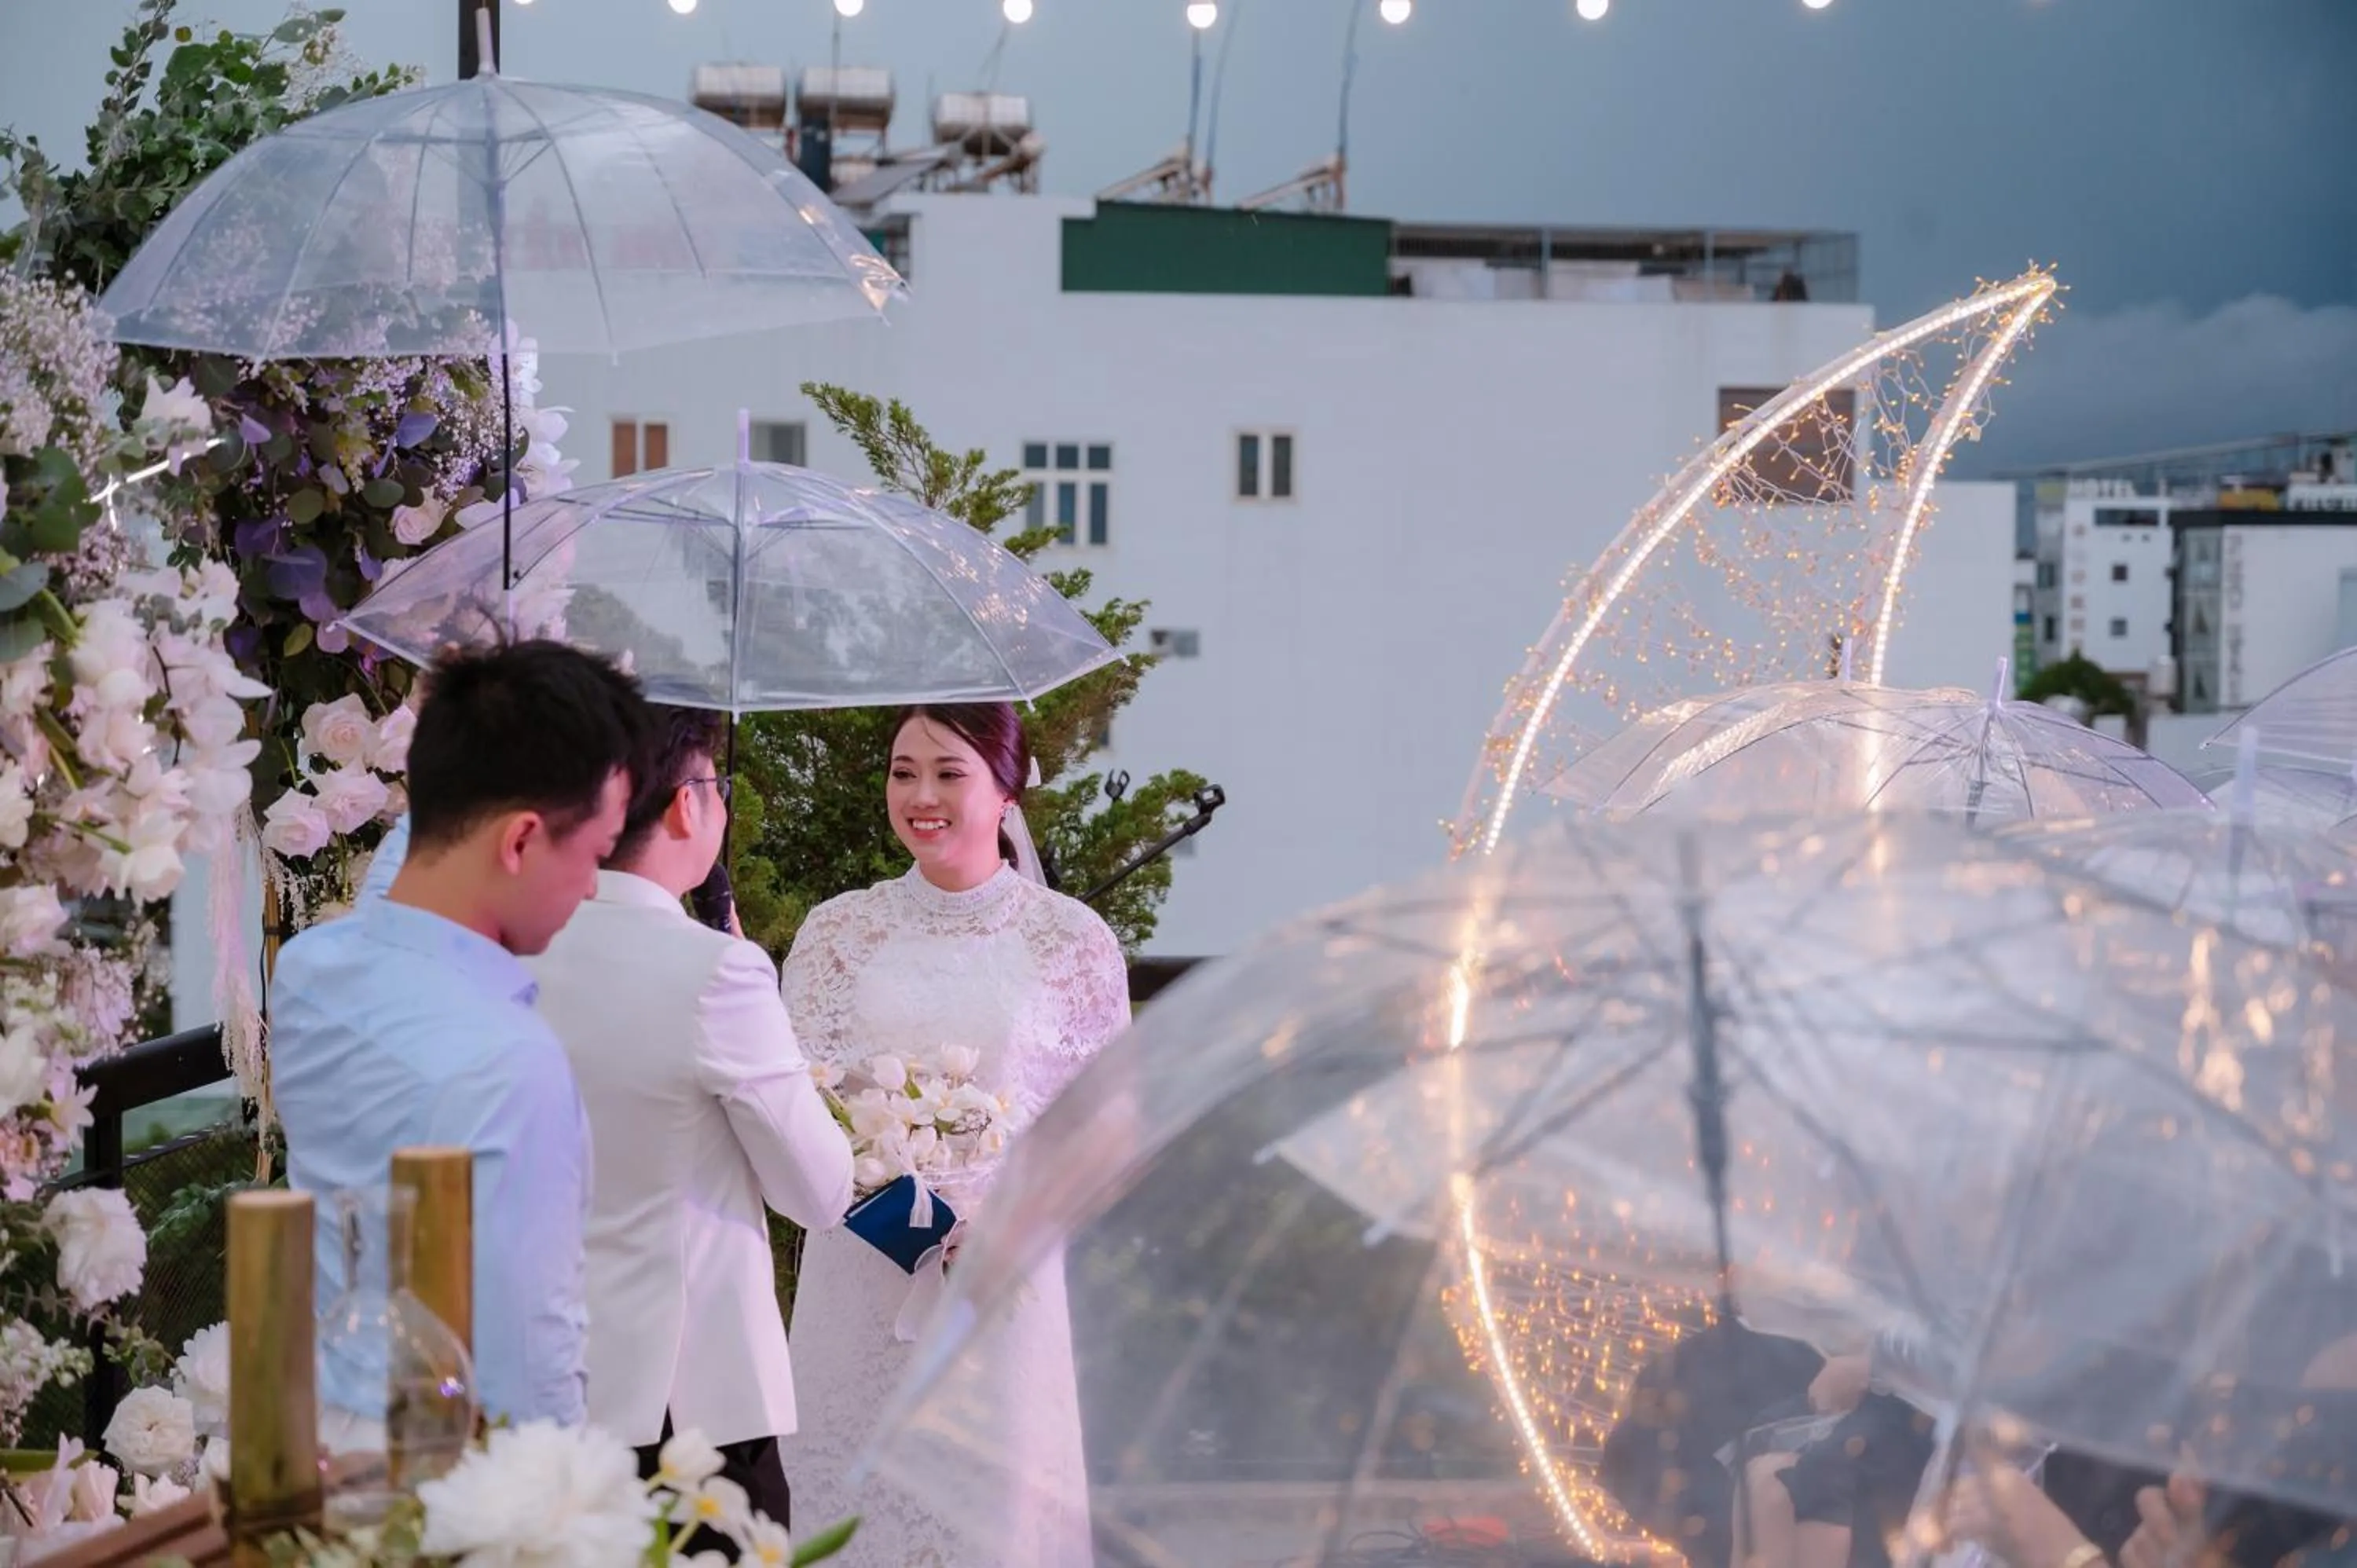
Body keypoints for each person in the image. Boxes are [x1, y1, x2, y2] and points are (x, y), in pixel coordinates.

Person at [778, 703, 1131, 1566]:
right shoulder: (838, 932)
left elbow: (1108, 1128)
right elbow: (795, 1102)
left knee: (991, 1518)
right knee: (850, 1511)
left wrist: (1009, 1223)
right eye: (904, 771)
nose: (921, 795)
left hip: (997, 1275)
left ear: (1008, 787)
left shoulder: (1069, 940)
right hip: (860, 1271)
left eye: (948, 771)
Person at [271, 640, 651, 1431]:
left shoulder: (309, 973)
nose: (589, 885)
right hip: (440, 1472)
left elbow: (411, 875)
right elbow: (526, 1363)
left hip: (316, 1429)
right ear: (518, 841)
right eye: (594, 854)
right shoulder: (509, 1064)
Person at [525, 705, 854, 1536]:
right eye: (719, 787)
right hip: (690, 1411)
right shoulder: (721, 974)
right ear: (683, 804)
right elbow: (819, 1190)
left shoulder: (515, 949)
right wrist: (749, 988)